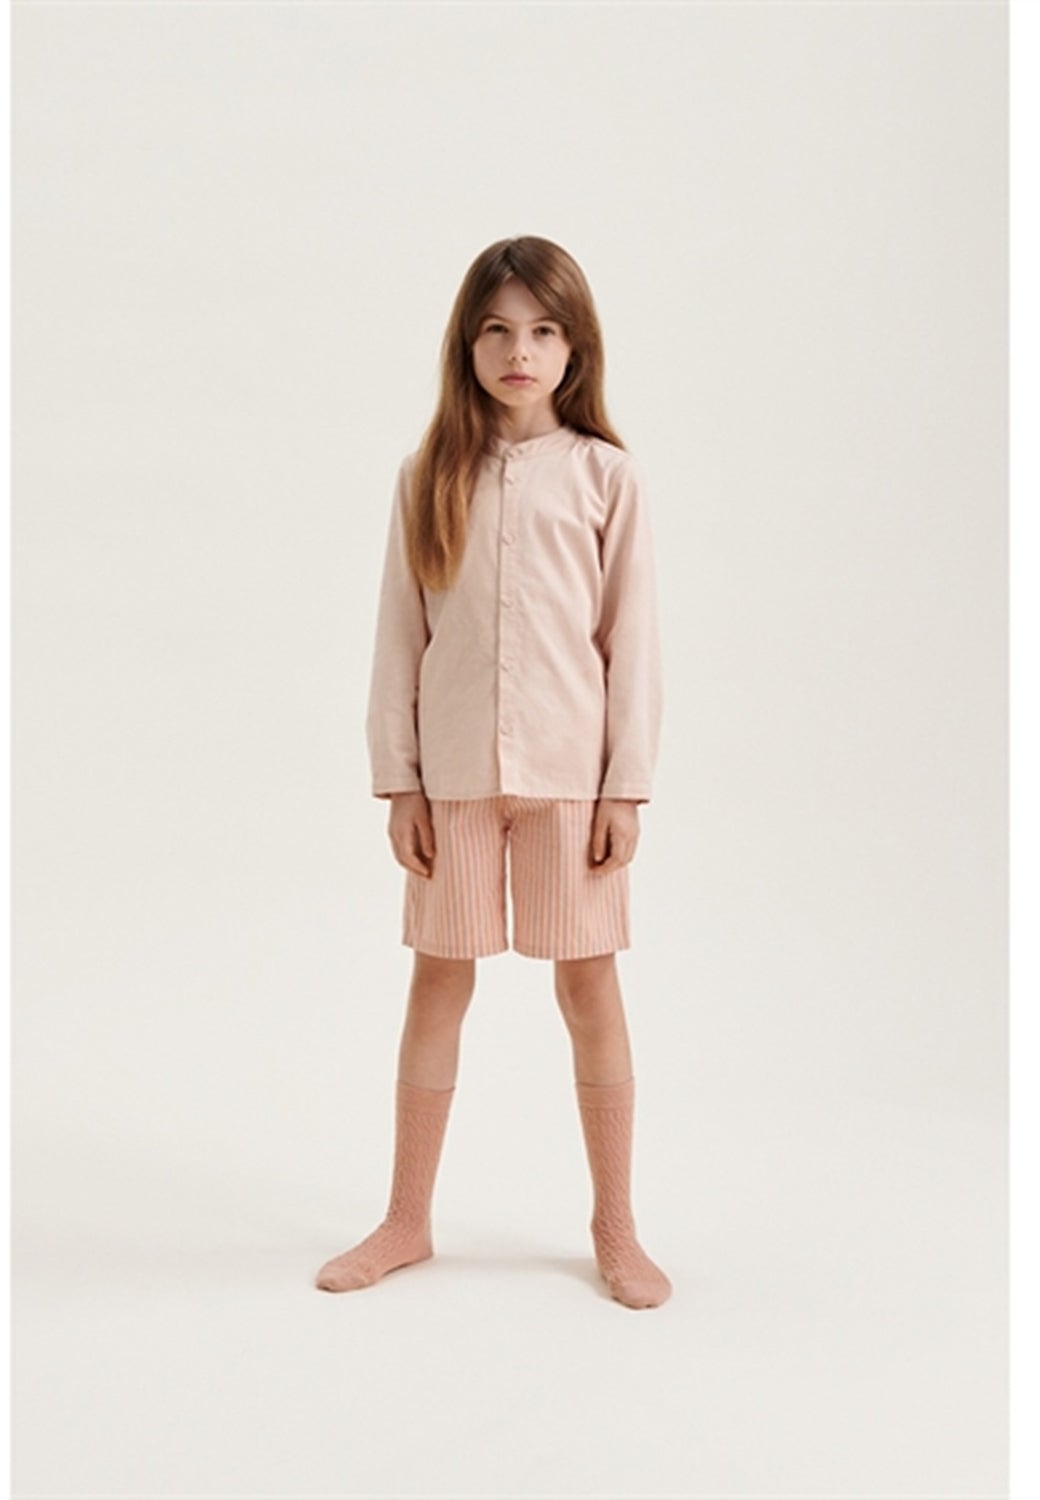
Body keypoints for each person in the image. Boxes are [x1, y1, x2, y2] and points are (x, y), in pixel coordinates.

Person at [314, 236, 670, 1309]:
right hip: (457, 777)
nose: (521, 351)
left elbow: (632, 642)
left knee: (589, 985)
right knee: (438, 981)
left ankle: (616, 1226)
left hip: (572, 779)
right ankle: (405, 1219)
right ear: (467, 346)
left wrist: (625, 785)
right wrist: (400, 781)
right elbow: (399, 635)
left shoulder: (606, 477)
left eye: (545, 331)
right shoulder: (428, 477)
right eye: (499, 331)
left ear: (575, 348)